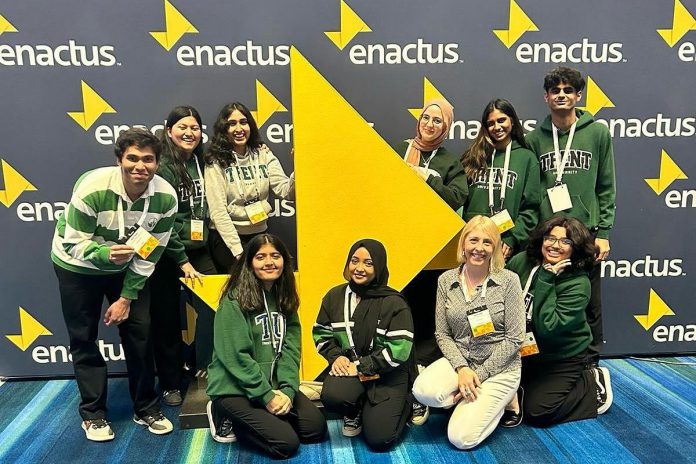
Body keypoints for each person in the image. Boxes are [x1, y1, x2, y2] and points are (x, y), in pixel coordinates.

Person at [51, 128, 178, 441]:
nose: (140, 166)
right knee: (83, 338)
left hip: (126, 268)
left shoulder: (165, 198)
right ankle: (93, 414)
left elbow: (151, 254)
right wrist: (104, 253)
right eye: (132, 158)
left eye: (148, 159)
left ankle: (145, 407)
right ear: (119, 159)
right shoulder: (92, 187)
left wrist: (126, 297)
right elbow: (73, 243)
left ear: (157, 163)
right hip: (78, 266)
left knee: (140, 333)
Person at [525, 67, 616, 368]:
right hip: (548, 236)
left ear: (578, 95)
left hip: (584, 233)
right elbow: (532, 189)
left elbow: (606, 185)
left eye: (567, 90)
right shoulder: (534, 139)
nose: (561, 95)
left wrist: (603, 231)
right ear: (546, 97)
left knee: (590, 300)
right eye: (555, 90)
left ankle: (591, 364)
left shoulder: (597, 133)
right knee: (547, 291)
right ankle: (543, 359)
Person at [206, 234, 326, 459]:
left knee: (314, 430)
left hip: (273, 384)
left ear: (284, 261)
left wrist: (288, 391)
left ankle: (264, 415)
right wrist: (267, 396)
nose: (269, 262)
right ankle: (221, 412)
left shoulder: (284, 297)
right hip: (236, 388)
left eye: (275, 256)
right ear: (249, 263)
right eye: (260, 257)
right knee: (286, 445)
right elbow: (236, 357)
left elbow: (291, 350)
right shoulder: (234, 301)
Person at [412, 216, 524, 449]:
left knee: (462, 439)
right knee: (422, 391)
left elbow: (515, 338)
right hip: (462, 361)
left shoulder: (509, 281)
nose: (479, 248)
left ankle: (505, 399)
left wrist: (478, 375)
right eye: (473, 240)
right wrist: (462, 369)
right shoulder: (446, 280)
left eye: (487, 242)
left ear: (495, 248)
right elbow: (442, 334)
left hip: (500, 369)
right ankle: (469, 397)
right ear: (463, 244)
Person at [395, 99, 469, 425]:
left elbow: (457, 198)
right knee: (398, 320)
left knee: (425, 321)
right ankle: (399, 383)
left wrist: (428, 177)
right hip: (397, 248)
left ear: (446, 127)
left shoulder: (451, 162)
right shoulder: (399, 149)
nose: (430, 124)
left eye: (438, 121)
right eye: (426, 117)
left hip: (432, 256)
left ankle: (419, 391)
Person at [505, 216, 613, 427]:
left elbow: (548, 327)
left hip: (561, 356)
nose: (555, 245)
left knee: (537, 412)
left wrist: (547, 279)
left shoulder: (579, 284)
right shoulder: (521, 262)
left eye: (565, 242)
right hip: (526, 352)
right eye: (550, 238)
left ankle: (592, 384)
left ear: (576, 248)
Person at [314, 239, 415, 451]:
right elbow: (321, 334)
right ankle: (356, 410)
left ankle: (407, 402)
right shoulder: (334, 297)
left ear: (379, 266)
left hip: (388, 374)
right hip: (352, 370)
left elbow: (399, 350)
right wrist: (336, 356)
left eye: (368, 263)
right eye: (354, 261)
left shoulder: (394, 303)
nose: (359, 268)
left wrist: (360, 366)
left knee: (380, 439)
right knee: (333, 396)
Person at [149, 106, 215, 406]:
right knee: (167, 318)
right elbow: (162, 223)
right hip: (166, 252)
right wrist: (182, 261)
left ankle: (203, 367)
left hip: (199, 249)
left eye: (195, 127)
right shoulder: (162, 167)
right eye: (182, 127)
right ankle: (171, 383)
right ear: (168, 129)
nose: (190, 133)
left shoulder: (201, 160)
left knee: (214, 307)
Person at [204, 102, 294, 273]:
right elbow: (218, 211)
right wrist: (239, 252)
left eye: (243, 122)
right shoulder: (215, 160)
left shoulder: (263, 153)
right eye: (232, 124)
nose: (239, 128)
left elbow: (286, 191)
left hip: (259, 234)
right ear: (224, 129)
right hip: (227, 240)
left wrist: (299, 168)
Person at [461, 98, 540, 259]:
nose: (497, 127)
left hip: (507, 246)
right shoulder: (473, 156)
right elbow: (461, 200)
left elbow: (531, 209)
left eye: (501, 120)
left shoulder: (527, 159)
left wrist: (513, 239)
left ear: (512, 120)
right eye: (491, 123)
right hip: (474, 243)